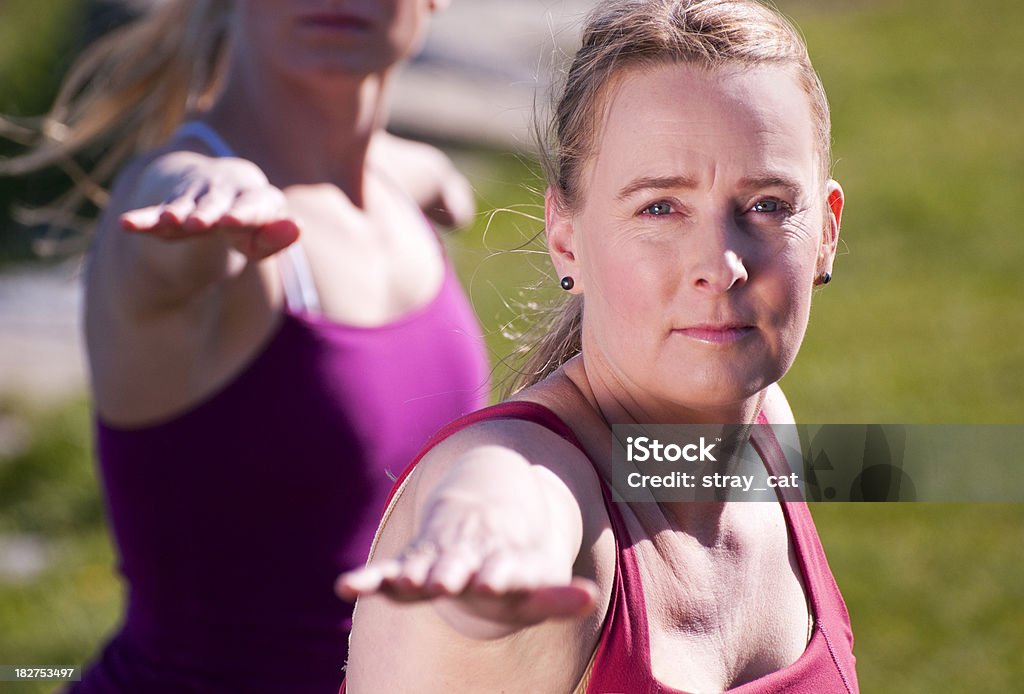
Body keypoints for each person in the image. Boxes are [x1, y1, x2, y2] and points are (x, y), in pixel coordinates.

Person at [337, 0, 858, 691]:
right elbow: (510, 488)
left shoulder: (766, 433)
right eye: (660, 207)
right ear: (567, 238)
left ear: (825, 231)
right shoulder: (538, 481)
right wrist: (480, 533)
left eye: (765, 204)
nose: (720, 264)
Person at [2, 0, 488, 691]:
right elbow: (168, 227)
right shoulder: (194, 205)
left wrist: (444, 180)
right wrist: (209, 194)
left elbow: (422, 172)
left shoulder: (393, 179)